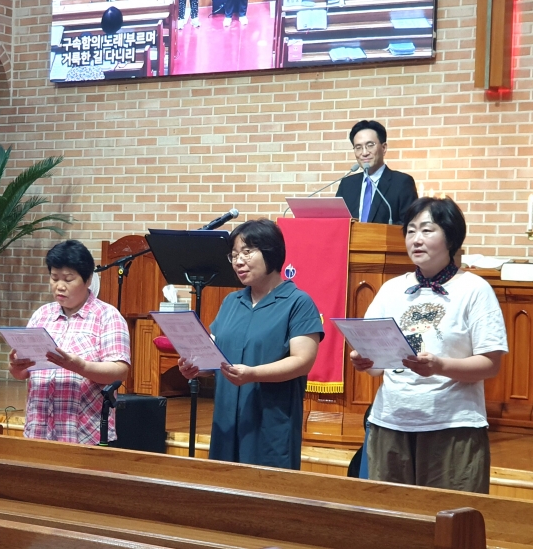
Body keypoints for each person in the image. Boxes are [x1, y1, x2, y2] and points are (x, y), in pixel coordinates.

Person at [351, 197, 507, 493]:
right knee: (391, 515)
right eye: (410, 231)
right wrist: (365, 359)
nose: (416, 239)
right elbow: (375, 368)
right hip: (391, 423)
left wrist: (439, 366)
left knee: (449, 515)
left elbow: (491, 364)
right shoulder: (392, 289)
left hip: (452, 426)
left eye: (426, 230)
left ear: (451, 237)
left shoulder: (474, 289)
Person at [179, 219, 324, 469]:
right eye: (234, 255)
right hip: (227, 421)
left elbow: (302, 361)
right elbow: (215, 353)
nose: (238, 261)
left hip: (270, 422)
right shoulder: (231, 302)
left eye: (247, 252)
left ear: (271, 252)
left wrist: (253, 374)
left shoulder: (298, 302)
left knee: (267, 488)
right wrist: (197, 367)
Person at [8, 240, 130, 445]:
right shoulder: (41, 315)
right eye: (54, 278)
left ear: (88, 279)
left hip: (84, 434)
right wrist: (16, 367)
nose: (60, 286)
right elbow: (23, 373)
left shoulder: (107, 316)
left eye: (68, 279)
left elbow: (120, 371)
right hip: (38, 430)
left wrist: (80, 366)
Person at [335, 120, 418, 224]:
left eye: (370, 145)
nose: (364, 153)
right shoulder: (347, 184)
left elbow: (409, 224)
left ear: (384, 148)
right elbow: (337, 222)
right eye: (358, 147)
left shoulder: (402, 182)